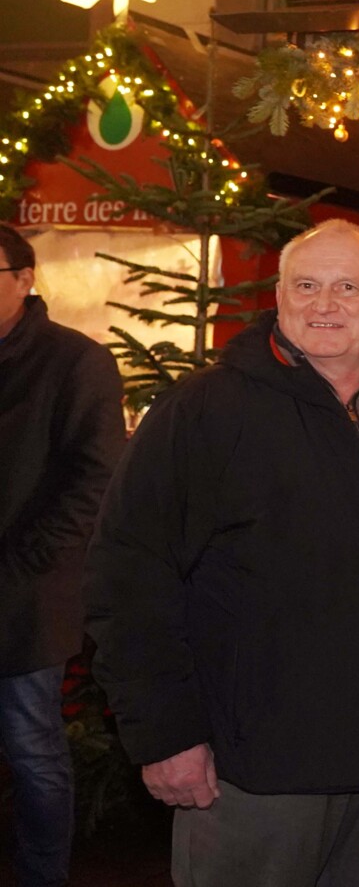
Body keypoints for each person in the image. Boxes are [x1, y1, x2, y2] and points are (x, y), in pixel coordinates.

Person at [86, 219, 359, 887]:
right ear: (280, 298)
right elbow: (129, 572)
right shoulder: (206, 411)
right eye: (306, 286)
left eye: (347, 287)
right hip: (252, 776)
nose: (323, 304)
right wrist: (166, 734)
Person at [0, 224, 124, 887]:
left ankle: (42, 877)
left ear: (24, 280)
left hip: (25, 597)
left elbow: (94, 480)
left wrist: (22, 563)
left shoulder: (74, 361)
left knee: (32, 751)